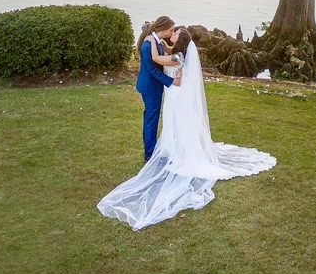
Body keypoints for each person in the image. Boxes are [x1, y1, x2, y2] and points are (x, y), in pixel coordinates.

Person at [98, 28, 276, 230]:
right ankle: (174, 147)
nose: (172, 33)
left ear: (180, 40)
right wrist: (164, 44)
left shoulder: (177, 58)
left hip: (175, 94)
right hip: (173, 93)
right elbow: (168, 51)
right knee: (174, 123)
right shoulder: (178, 53)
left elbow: (157, 59)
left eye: (175, 33)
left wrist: (150, 41)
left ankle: (179, 150)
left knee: (176, 123)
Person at [135, 16, 180, 161]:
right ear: (164, 29)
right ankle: (150, 154)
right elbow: (152, 70)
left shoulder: (157, 41)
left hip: (154, 86)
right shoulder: (148, 45)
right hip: (150, 87)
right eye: (171, 30)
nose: (172, 32)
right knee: (151, 118)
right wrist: (171, 81)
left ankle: (152, 149)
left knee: (153, 117)